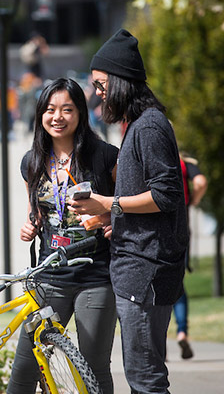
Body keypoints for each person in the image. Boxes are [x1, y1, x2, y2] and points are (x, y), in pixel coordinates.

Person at [71, 29, 188, 393]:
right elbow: (149, 199)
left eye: (102, 85)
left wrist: (110, 204)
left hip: (146, 272)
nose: (97, 94)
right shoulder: (139, 125)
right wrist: (111, 217)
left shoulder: (149, 126)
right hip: (140, 268)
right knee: (143, 375)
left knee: (145, 379)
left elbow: (167, 194)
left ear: (122, 82)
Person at [7, 78, 118, 394]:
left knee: (94, 370)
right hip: (49, 275)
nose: (58, 117)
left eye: (67, 109)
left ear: (81, 113)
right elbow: (38, 210)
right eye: (51, 110)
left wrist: (107, 217)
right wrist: (31, 224)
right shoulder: (32, 162)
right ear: (40, 114)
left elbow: (126, 206)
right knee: (24, 369)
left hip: (95, 277)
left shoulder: (106, 157)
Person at [173, 152, 208, 359]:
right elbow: (201, 182)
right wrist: (192, 202)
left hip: (156, 233)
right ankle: (182, 332)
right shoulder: (184, 162)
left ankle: (161, 347)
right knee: (178, 284)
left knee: (159, 289)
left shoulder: (153, 160)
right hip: (182, 231)